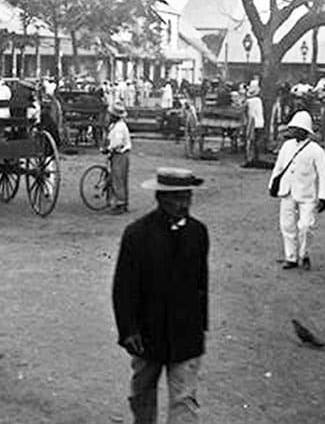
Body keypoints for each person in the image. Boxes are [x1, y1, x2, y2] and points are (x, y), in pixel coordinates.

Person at [112, 167, 209, 424]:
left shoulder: (198, 233)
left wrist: (201, 327)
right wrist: (128, 330)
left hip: (185, 333)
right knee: (142, 394)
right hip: (146, 335)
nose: (184, 204)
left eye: (187, 196)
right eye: (177, 198)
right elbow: (123, 287)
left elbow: (201, 283)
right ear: (160, 199)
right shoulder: (138, 234)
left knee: (184, 399)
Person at [269, 110, 325, 271]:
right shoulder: (287, 146)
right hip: (287, 191)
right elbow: (279, 167)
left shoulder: (316, 150)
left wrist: (323, 197)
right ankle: (291, 257)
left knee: (306, 226)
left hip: (307, 194)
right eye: (292, 128)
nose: (292, 131)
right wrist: (273, 186)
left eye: (296, 128)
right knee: (287, 226)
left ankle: (304, 254)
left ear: (305, 130)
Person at [103, 100, 132, 214]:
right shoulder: (115, 126)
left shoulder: (119, 127)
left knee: (118, 179)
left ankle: (120, 204)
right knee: (121, 179)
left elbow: (118, 143)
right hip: (119, 154)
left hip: (120, 154)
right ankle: (123, 202)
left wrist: (109, 148)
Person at [244, 84, 265, 163]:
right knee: (256, 142)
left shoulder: (249, 101)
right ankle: (255, 158)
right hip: (260, 122)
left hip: (252, 122)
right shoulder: (259, 100)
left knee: (250, 141)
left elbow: (243, 109)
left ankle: (249, 158)